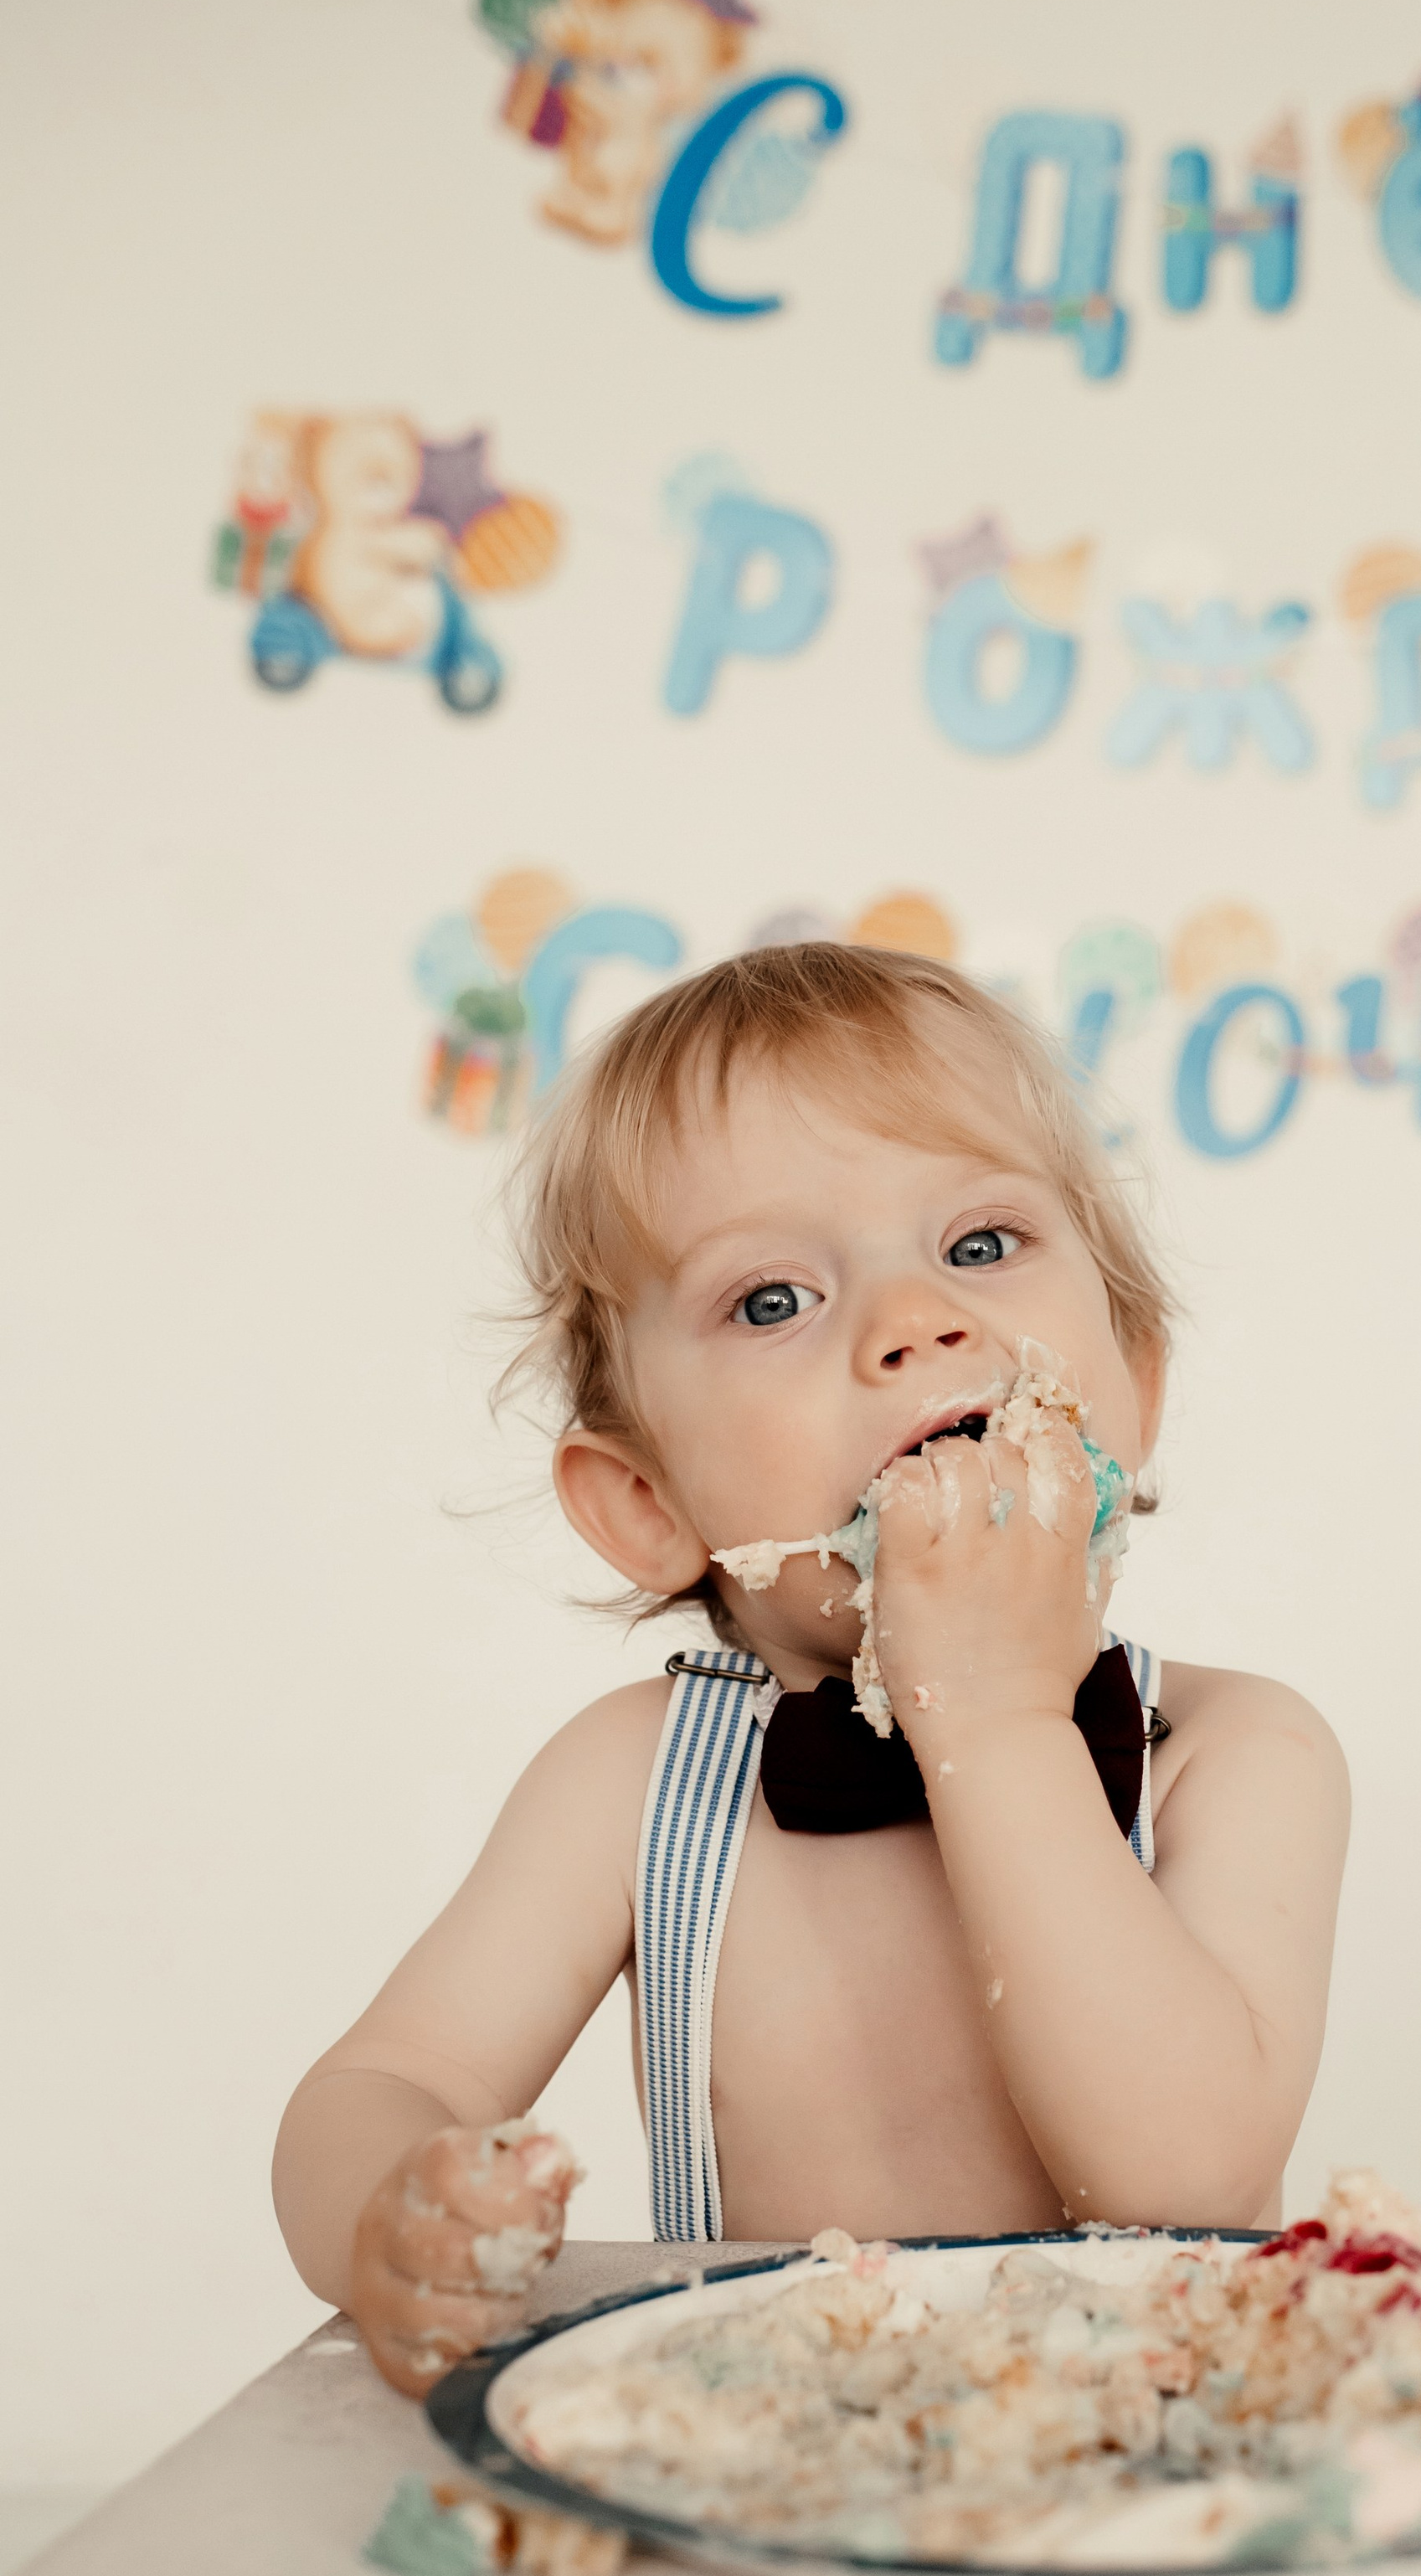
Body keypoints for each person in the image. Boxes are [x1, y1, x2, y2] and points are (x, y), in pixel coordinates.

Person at [273, 945, 1351, 2394]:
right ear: (649, 1504)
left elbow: (1185, 2183)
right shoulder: (638, 1783)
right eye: (773, 1299)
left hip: (1156, 2492)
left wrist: (994, 1718)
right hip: (760, 2483)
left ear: (1136, 1383)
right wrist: (387, 2214)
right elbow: (388, 2079)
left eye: (981, 1245)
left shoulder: (1230, 1752)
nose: (916, 1323)